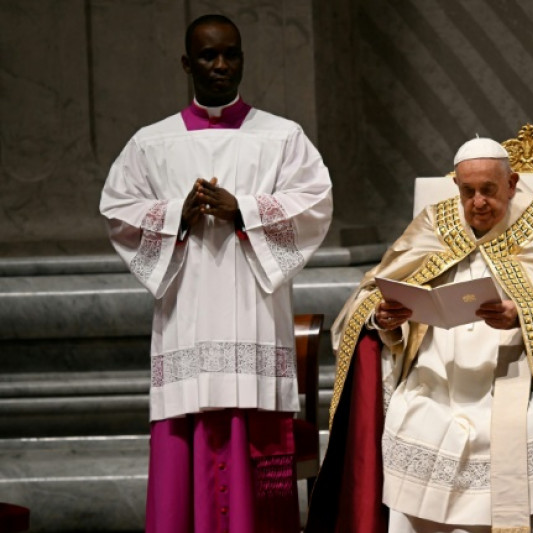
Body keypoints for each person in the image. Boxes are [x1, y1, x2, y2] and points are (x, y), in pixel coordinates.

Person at [307, 137, 533, 532]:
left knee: (517, 430)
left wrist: (524, 316)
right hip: (435, 374)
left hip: (515, 376)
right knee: (413, 416)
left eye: (489, 190)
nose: (479, 202)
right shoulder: (435, 223)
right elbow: (369, 295)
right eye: (468, 192)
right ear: (457, 187)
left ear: (512, 182)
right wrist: (385, 319)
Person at [100, 14, 333, 533]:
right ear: (187, 63)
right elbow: (118, 209)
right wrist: (174, 216)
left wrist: (244, 209)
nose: (222, 65)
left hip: (255, 318)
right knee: (188, 433)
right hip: (186, 318)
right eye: (208, 56)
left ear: (243, 58)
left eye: (231, 54)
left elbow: (315, 202)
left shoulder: (282, 137)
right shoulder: (151, 144)